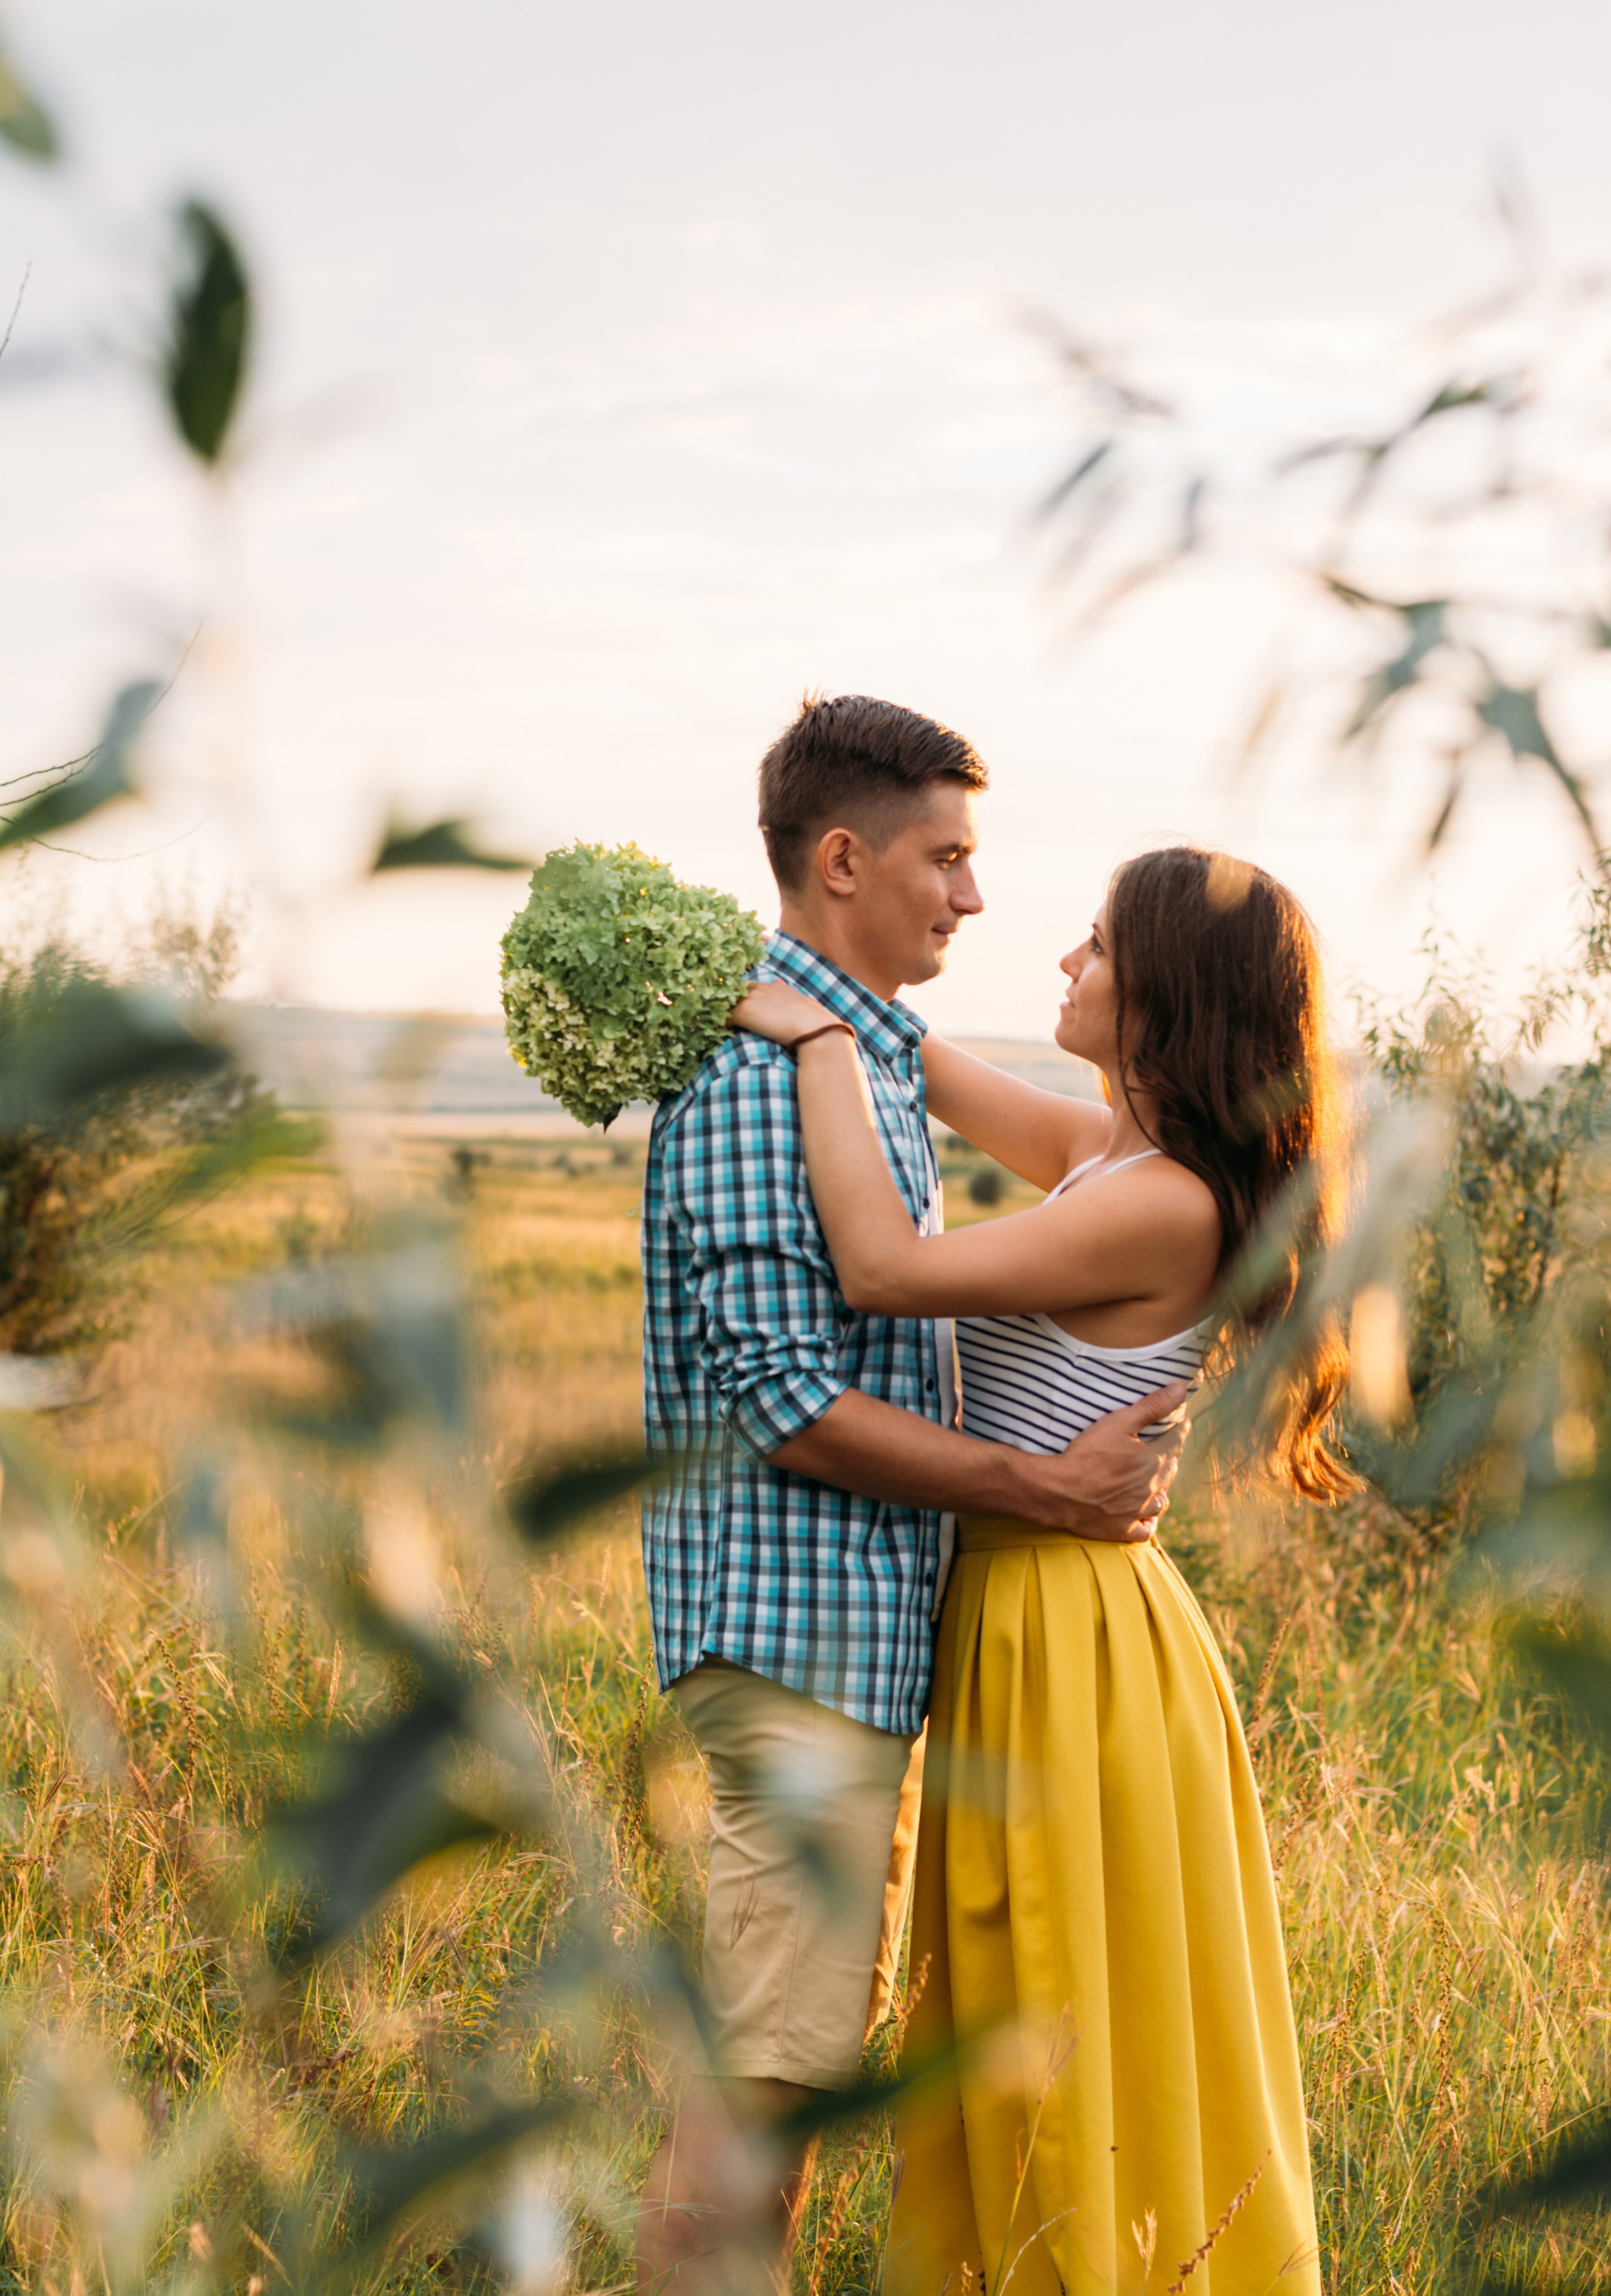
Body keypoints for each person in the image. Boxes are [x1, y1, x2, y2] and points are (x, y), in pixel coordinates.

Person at [731, 842, 1350, 2296]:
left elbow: (881, 1266)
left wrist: (815, 1036)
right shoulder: (1108, 1153)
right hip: (1033, 1611)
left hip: (1069, 1630)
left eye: (1093, 944)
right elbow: (928, 1054)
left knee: (1070, 2012)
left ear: (1167, 996)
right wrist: (803, 968)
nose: (1062, 962)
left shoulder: (1166, 1202)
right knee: (1022, 2003)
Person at [634, 698, 1190, 2295]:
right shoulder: (763, 1078)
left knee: (789, 2057)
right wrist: (1041, 1484)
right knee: (764, 2069)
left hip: (850, 1644)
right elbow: (790, 1403)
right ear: (841, 858)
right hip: (796, 1642)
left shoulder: (849, 1054)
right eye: (947, 857)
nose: (973, 894)